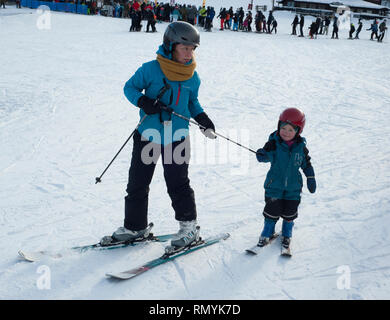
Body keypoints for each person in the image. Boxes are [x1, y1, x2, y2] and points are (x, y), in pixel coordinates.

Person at [113, 22, 216, 248]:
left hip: (176, 137)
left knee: (177, 183)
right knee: (138, 182)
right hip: (148, 135)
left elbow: (192, 102)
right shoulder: (150, 69)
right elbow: (129, 88)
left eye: (192, 49)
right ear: (171, 46)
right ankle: (135, 226)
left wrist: (203, 118)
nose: (189, 54)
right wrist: (142, 101)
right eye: (184, 48)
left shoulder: (192, 77)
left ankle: (189, 228)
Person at [255, 108, 316, 251]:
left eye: (290, 130)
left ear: (298, 131)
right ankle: (267, 231)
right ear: (278, 127)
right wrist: (262, 153)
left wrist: (311, 177)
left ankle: (287, 233)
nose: (286, 132)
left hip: (293, 188)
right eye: (283, 128)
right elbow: (264, 156)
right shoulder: (274, 144)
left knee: (290, 212)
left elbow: (306, 164)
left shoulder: (301, 148)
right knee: (271, 211)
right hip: (274, 186)